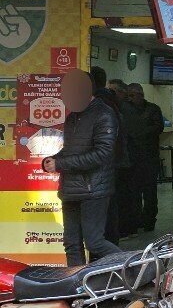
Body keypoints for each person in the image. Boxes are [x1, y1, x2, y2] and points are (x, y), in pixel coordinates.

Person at [43, 69, 121, 266]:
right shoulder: (72, 117)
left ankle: (137, 267)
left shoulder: (104, 114)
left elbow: (102, 154)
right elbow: (70, 150)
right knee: (71, 244)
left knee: (95, 243)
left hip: (94, 190)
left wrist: (60, 164)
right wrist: (53, 159)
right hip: (70, 189)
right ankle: (77, 289)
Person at [90, 67, 129, 244]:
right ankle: (111, 242)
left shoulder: (99, 104)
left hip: (104, 162)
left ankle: (109, 247)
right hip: (114, 161)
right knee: (110, 204)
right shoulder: (111, 103)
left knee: (104, 206)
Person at [125, 83, 165, 232]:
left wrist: (139, 131)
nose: (129, 99)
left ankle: (149, 220)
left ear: (140, 95)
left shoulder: (153, 109)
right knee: (133, 192)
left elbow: (158, 127)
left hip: (149, 157)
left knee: (149, 192)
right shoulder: (127, 110)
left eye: (131, 95)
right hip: (132, 158)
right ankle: (136, 220)